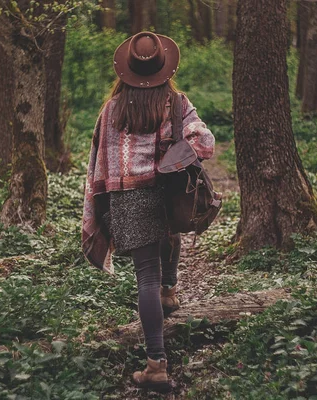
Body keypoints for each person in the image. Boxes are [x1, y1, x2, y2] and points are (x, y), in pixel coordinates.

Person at [81, 31, 215, 392]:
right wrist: (174, 155)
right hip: (165, 191)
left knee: (146, 280)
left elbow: (98, 160)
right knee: (169, 230)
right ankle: (169, 293)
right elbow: (205, 142)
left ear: (126, 69)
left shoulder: (111, 108)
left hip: (127, 198)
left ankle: (157, 363)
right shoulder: (176, 102)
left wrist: (103, 204)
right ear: (163, 68)